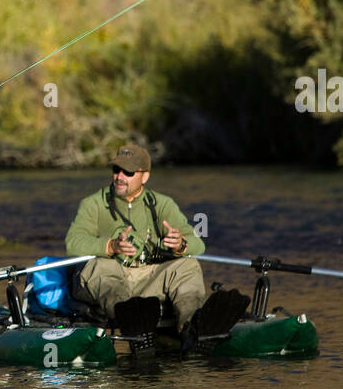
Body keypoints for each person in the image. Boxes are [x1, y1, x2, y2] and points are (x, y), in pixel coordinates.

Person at [65, 143, 244, 348]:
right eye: (116, 170)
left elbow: (198, 244)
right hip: (104, 281)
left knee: (188, 265)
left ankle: (194, 327)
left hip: (147, 278)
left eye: (128, 172)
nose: (119, 176)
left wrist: (181, 244)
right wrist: (111, 246)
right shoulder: (93, 204)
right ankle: (134, 324)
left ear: (145, 176)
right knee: (102, 267)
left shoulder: (162, 204)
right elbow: (73, 242)